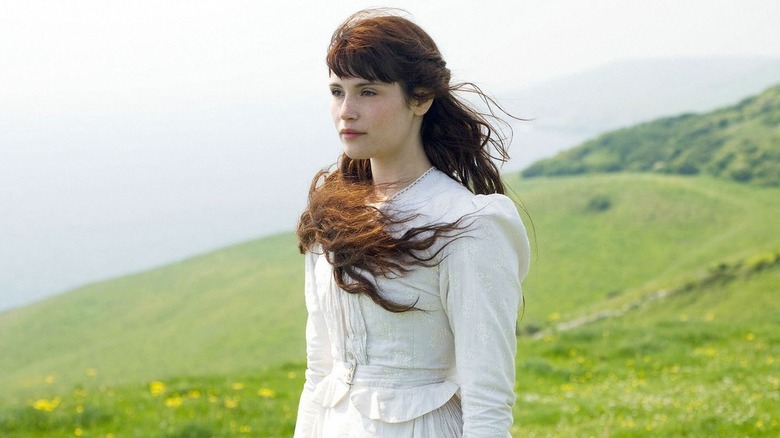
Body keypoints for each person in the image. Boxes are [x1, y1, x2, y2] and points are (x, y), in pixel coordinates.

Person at [294, 8, 530, 437]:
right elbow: (319, 374)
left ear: (420, 98)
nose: (346, 111)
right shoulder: (330, 217)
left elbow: (488, 402)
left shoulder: (468, 224)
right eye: (336, 91)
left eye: (367, 92)